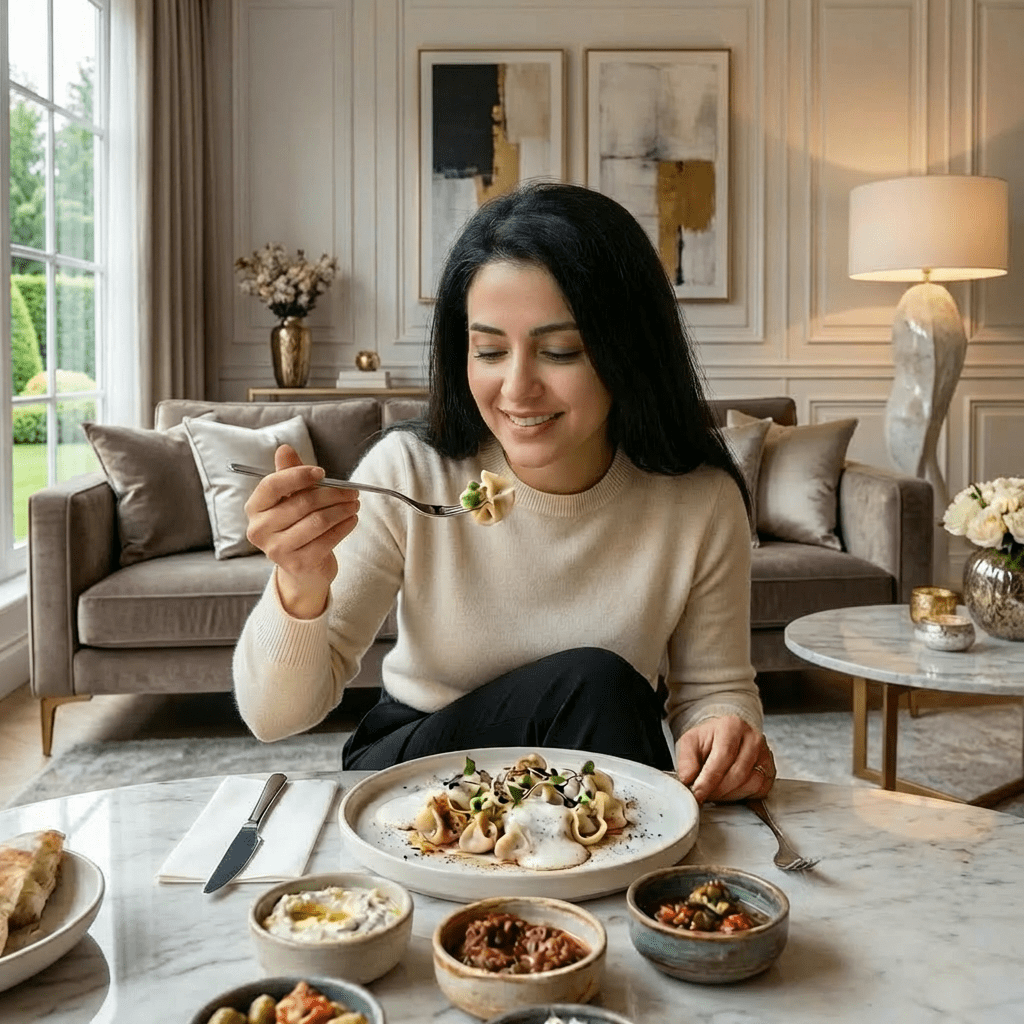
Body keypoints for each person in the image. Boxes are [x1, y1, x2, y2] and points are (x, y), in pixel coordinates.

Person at [233, 181, 776, 805]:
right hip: (416, 766)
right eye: (489, 350)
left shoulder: (699, 500)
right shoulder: (413, 473)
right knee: (595, 684)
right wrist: (299, 585)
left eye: (559, 351)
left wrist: (723, 735)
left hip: (586, 760)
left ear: (628, 351)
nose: (516, 389)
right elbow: (273, 719)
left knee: (602, 697)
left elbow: (715, 689)